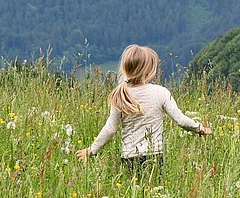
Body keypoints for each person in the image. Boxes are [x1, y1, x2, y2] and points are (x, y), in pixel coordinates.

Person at [76, 44, 211, 172]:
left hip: (128, 157)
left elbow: (110, 130)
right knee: (153, 192)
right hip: (154, 155)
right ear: (148, 70)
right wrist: (200, 128)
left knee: (133, 193)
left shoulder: (120, 95)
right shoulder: (161, 92)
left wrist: (91, 150)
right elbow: (181, 120)